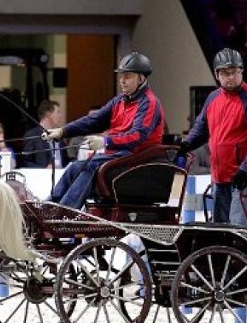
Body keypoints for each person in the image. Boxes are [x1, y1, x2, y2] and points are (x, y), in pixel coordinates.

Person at [42, 51, 165, 209]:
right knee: (74, 166)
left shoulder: (149, 102)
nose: (122, 81)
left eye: (127, 76)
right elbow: (93, 121)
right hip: (118, 156)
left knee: (89, 166)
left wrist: (105, 141)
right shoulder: (119, 101)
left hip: (136, 159)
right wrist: (63, 131)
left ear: (141, 78)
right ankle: (50, 206)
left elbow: (137, 136)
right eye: (121, 76)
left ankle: (66, 210)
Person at [179, 48, 247, 227]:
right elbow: (201, 128)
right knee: (220, 229)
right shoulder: (212, 98)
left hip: (244, 177)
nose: (231, 77)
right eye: (226, 73)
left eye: (235, 72)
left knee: (239, 230)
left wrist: (246, 169)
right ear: (216, 74)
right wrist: (185, 145)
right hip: (220, 175)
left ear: (241, 71)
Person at [22, 100, 69, 168]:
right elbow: (26, 162)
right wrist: (44, 169)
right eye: (58, 112)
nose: (60, 116)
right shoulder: (32, 135)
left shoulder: (59, 135)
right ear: (48, 114)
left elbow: (65, 160)